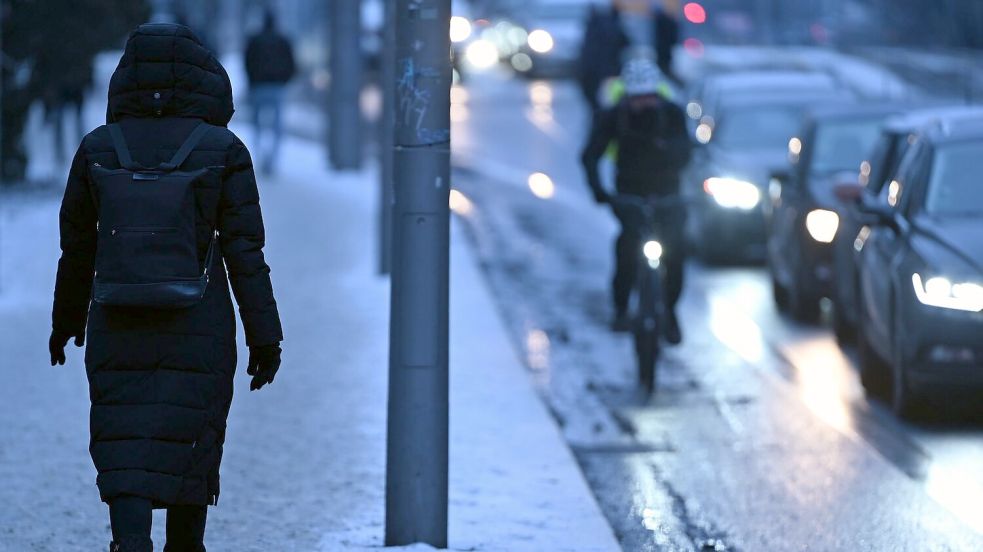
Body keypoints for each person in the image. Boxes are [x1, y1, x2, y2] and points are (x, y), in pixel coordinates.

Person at [49, 23, 283, 552]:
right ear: (204, 78)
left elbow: (77, 248)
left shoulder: (98, 148)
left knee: (125, 436)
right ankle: (185, 544)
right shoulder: (223, 149)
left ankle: (128, 542)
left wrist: (65, 323)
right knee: (188, 439)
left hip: (116, 316)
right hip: (198, 321)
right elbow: (246, 251)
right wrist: (264, 336)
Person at [580, 56, 691, 342]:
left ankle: (670, 311)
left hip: (668, 195)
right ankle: (620, 309)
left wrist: (668, 151)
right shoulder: (613, 117)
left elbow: (687, 153)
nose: (644, 104)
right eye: (637, 98)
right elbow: (590, 155)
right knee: (627, 250)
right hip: (630, 195)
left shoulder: (673, 115)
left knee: (676, 253)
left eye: (649, 97)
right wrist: (600, 192)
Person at [244, 10, 297, 175]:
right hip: (277, 87)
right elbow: (292, 64)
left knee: (257, 125)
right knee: (276, 127)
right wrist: (284, 81)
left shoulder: (254, 40)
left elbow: (247, 62)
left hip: (258, 87)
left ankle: (259, 156)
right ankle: (272, 160)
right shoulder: (283, 40)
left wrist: (252, 82)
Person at [577, 2, 630, 113]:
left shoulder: (593, 26)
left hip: (592, 73)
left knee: (598, 109)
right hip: (608, 73)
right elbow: (626, 43)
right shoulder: (613, 25)